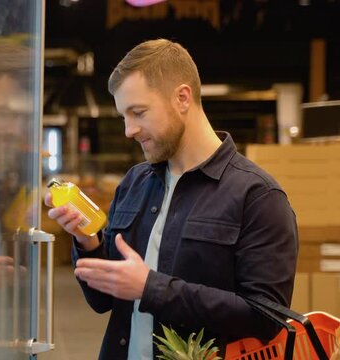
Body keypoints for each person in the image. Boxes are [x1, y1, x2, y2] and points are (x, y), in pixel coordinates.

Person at [45, 38, 298, 359]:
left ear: (182, 98)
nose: (129, 130)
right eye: (124, 115)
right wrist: (87, 242)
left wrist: (151, 289)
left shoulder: (258, 196)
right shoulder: (135, 183)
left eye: (138, 112)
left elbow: (267, 318)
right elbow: (102, 302)